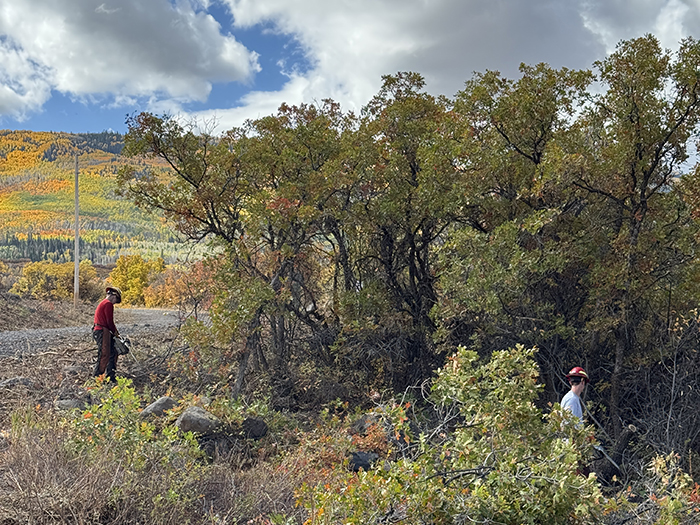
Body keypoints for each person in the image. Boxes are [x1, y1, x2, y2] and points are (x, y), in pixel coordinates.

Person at [93, 286, 122, 381]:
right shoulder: (108, 304)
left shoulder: (102, 303)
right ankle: (98, 377)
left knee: (113, 352)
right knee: (104, 354)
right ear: (114, 296)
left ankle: (110, 377)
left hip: (100, 330)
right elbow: (109, 322)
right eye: (116, 300)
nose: (115, 303)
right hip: (102, 330)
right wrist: (116, 333)